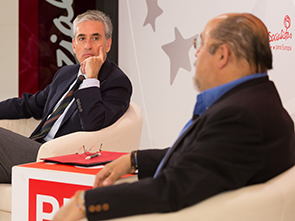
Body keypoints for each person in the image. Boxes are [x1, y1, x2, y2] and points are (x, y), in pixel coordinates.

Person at [52, 13, 295, 221]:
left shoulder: (240, 117)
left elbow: (172, 189)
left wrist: (85, 202)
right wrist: (134, 160)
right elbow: (202, 156)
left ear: (222, 55)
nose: (197, 54)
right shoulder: (257, 101)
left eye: (201, 44)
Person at [0, 10, 132, 183]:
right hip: (37, 148)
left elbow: (93, 123)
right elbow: (29, 104)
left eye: (95, 38)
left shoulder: (117, 82)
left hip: (60, 161)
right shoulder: (66, 74)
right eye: (82, 38)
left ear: (107, 44)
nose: (88, 46)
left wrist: (91, 79)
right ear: (74, 45)